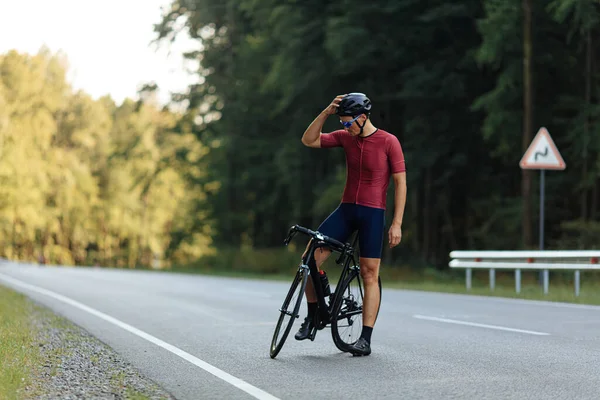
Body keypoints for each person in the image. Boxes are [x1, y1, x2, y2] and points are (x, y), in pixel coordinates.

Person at [295, 92, 407, 356]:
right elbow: (309, 140)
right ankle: (314, 315)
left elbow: (401, 183)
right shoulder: (346, 138)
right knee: (308, 256)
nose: (344, 128)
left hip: (372, 214)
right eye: (342, 123)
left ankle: (365, 339)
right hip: (346, 211)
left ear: (363, 117)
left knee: (369, 273)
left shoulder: (388, 141)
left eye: (348, 122)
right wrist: (326, 112)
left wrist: (397, 223)